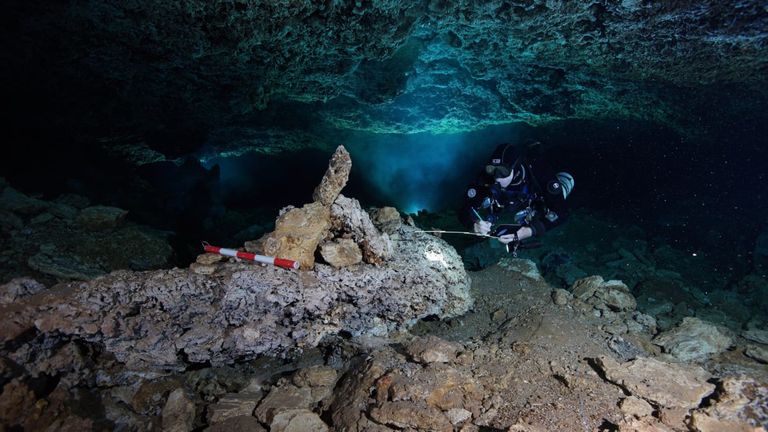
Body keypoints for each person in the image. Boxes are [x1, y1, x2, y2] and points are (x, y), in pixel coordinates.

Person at [459, 141, 574, 253]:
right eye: (492, 169)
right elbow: (464, 208)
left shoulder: (539, 173)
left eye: (503, 171)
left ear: (516, 168)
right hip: (509, 206)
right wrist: (473, 225)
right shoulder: (486, 178)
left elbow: (562, 211)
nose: (497, 177)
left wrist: (529, 231)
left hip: (535, 201)